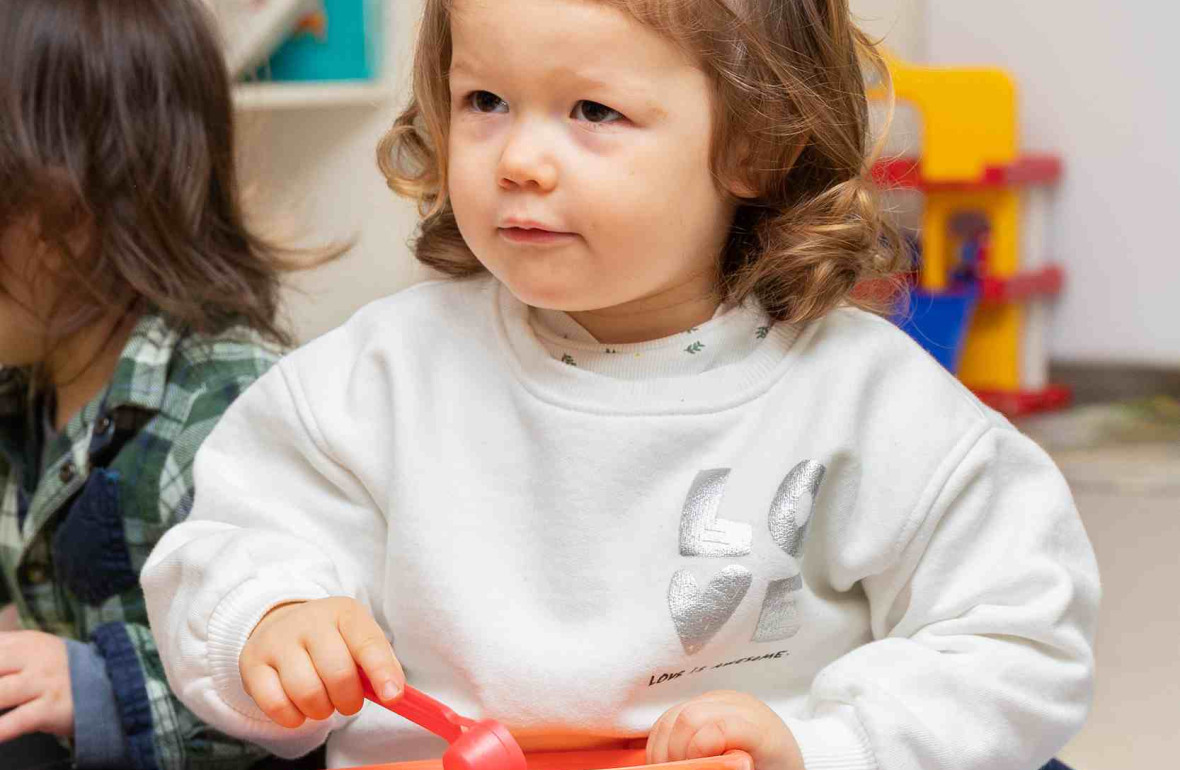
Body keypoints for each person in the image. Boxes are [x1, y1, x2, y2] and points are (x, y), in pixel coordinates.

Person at [142, 1, 1100, 769]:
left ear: (755, 145)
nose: (517, 159)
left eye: (592, 112)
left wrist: (825, 747)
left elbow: (1019, 639)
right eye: (483, 101)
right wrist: (268, 619)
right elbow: (225, 548)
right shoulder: (376, 377)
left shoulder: (866, 401)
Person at [0, 0, 334, 767]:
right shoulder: (26, 388)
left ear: (66, 216)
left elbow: (297, 682)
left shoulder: (228, 405)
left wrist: (93, 686)